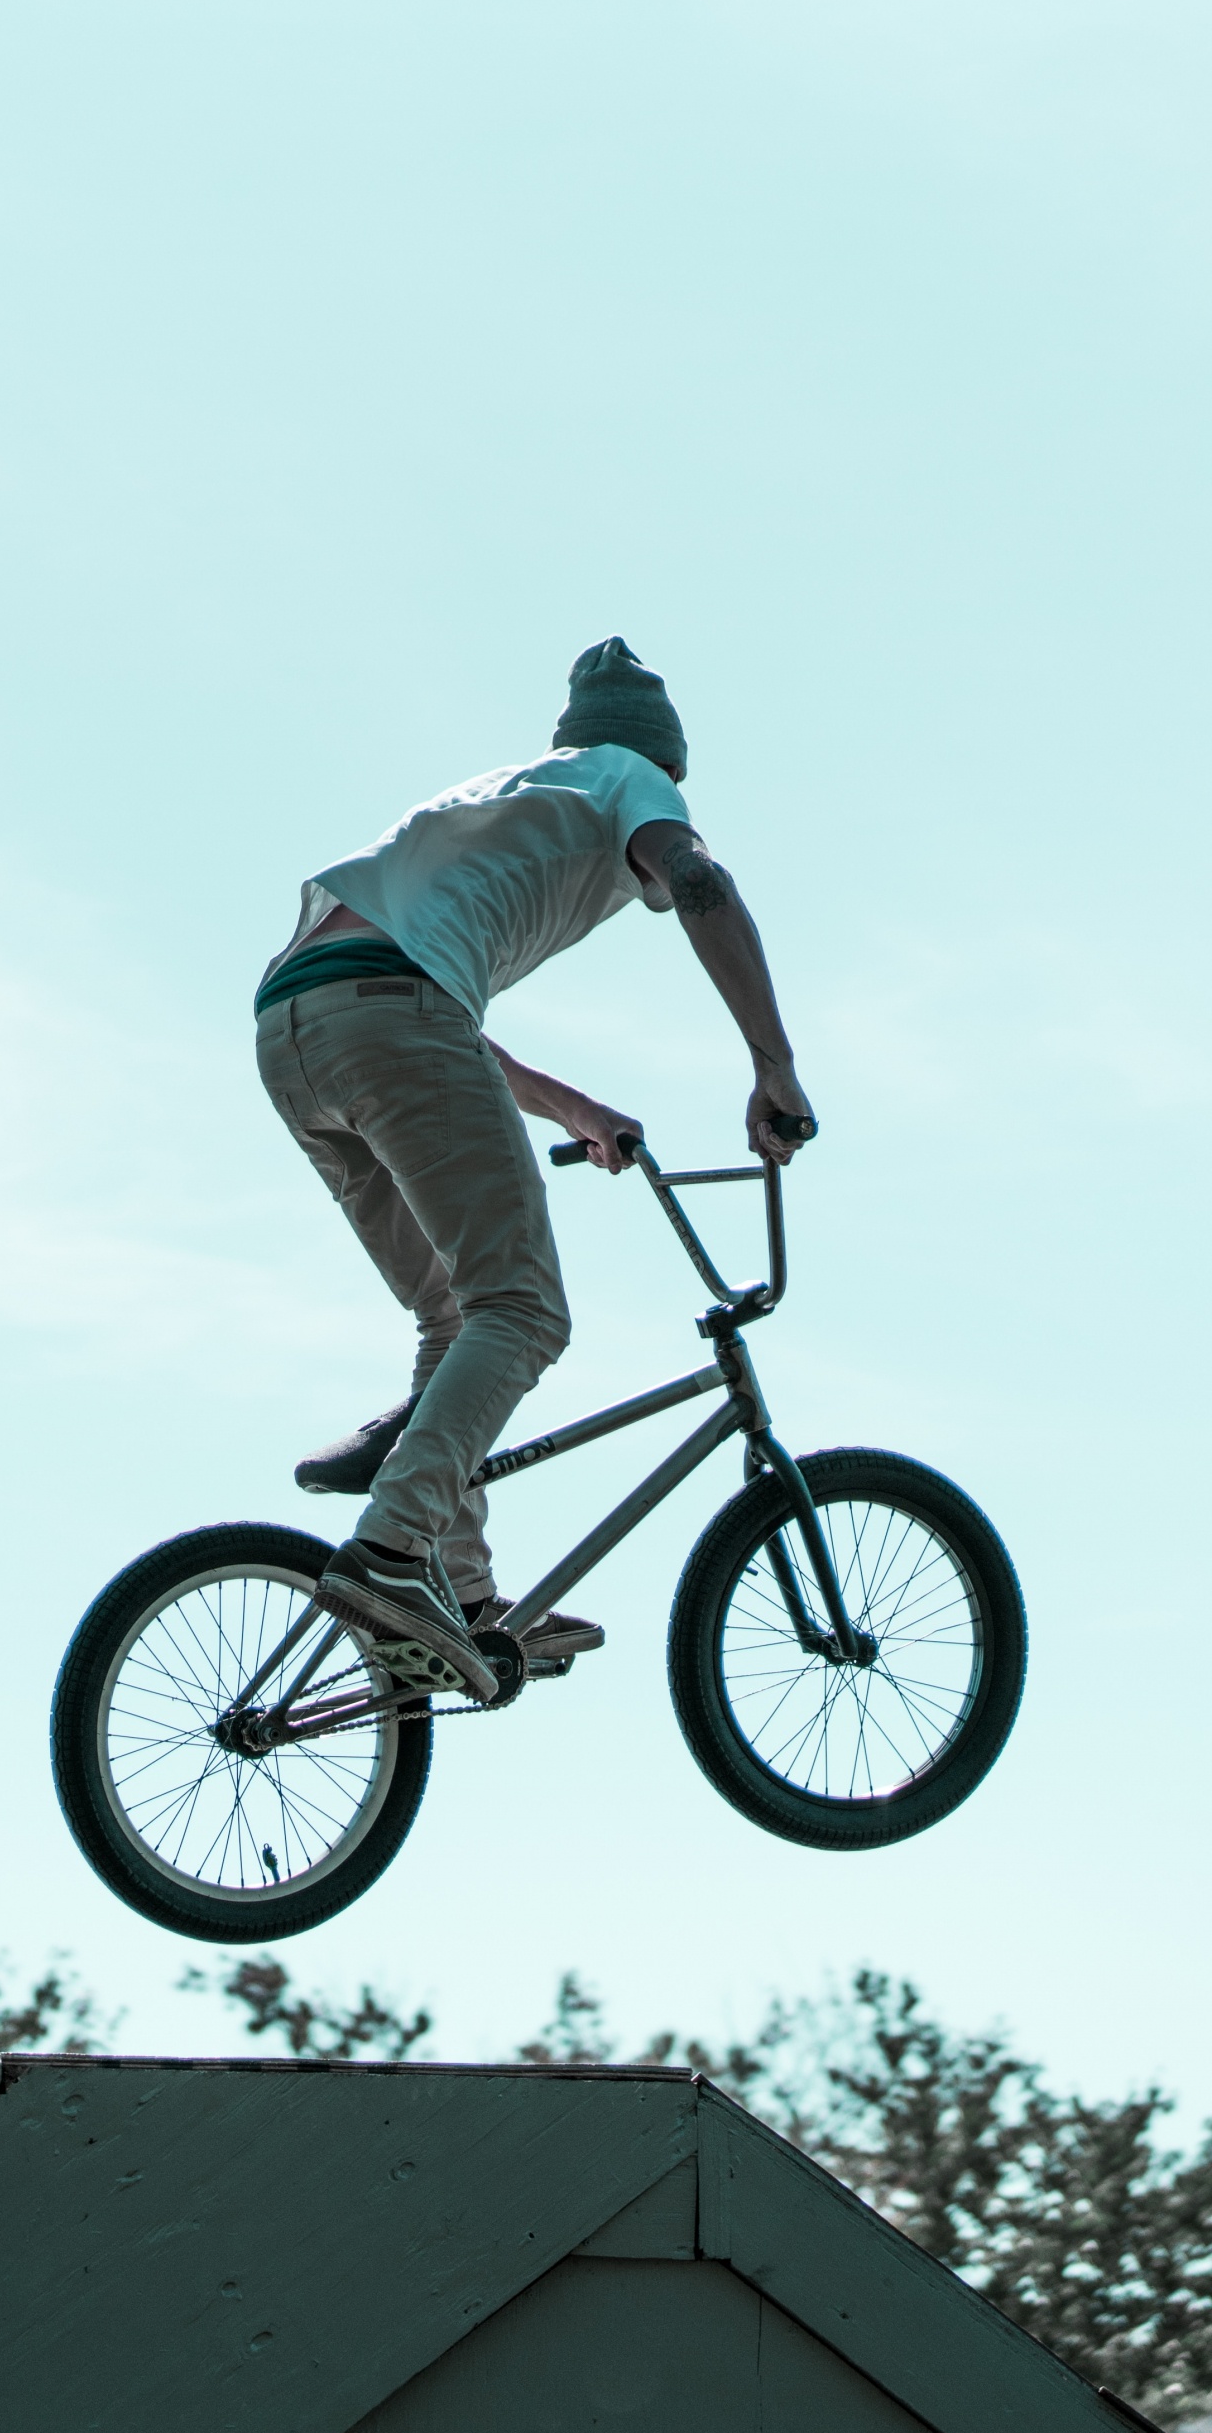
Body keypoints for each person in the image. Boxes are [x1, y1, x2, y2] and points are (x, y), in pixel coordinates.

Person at [254, 636, 815, 1705]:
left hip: (294, 1027)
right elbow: (700, 881)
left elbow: (408, 999)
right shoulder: (626, 777)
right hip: (391, 1017)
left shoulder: (511, 791)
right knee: (524, 1310)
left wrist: (571, 1107)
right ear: (666, 763)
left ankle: (457, 1601)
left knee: (457, 1319)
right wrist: (774, 1064)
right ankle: (390, 1554)